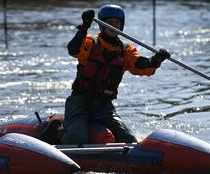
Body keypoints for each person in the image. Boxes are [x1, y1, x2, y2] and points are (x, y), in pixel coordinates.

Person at [60, 4, 170, 145]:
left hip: (104, 106)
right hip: (80, 102)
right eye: (110, 22)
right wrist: (84, 26)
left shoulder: (126, 50)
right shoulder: (90, 42)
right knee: (78, 139)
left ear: (121, 25)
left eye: (117, 22)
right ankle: (59, 133)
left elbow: (141, 66)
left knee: (128, 140)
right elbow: (73, 50)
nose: (114, 26)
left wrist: (156, 60)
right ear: (102, 25)